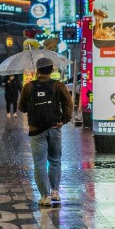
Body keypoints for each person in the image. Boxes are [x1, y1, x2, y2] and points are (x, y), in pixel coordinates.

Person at [19, 58, 73, 207]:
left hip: (36, 130)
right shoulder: (58, 86)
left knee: (40, 163)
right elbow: (68, 103)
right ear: (51, 70)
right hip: (55, 128)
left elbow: (21, 107)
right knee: (55, 160)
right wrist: (65, 120)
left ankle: (45, 196)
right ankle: (55, 192)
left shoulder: (28, 87)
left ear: (37, 70)